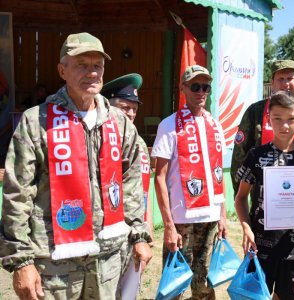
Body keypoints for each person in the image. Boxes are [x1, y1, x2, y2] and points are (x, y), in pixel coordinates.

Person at [0, 32, 152, 300]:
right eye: (82, 64)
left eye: (97, 66)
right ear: (62, 70)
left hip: (108, 260)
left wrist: (139, 235)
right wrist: (22, 261)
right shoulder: (36, 122)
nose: (92, 73)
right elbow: (17, 193)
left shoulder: (119, 122)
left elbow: (130, 183)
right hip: (55, 263)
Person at [231, 59, 294, 299]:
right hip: (264, 221)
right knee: (257, 289)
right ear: (272, 82)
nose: (284, 125)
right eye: (280, 78)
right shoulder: (256, 112)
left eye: (290, 77)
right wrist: (247, 218)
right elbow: (240, 165)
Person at [152, 65, 227, 300]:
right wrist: (168, 225)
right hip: (182, 220)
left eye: (206, 86)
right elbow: (160, 177)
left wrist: (223, 215)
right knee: (175, 285)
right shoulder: (169, 125)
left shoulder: (215, 125)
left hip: (211, 219)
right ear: (183, 88)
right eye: (195, 86)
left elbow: (218, 174)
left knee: (204, 285)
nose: (201, 91)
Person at [101, 73, 154, 273]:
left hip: (136, 230)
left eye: (134, 108)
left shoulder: (138, 142)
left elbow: (145, 188)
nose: (131, 114)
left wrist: (146, 226)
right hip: (111, 232)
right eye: (124, 108)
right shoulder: (100, 140)